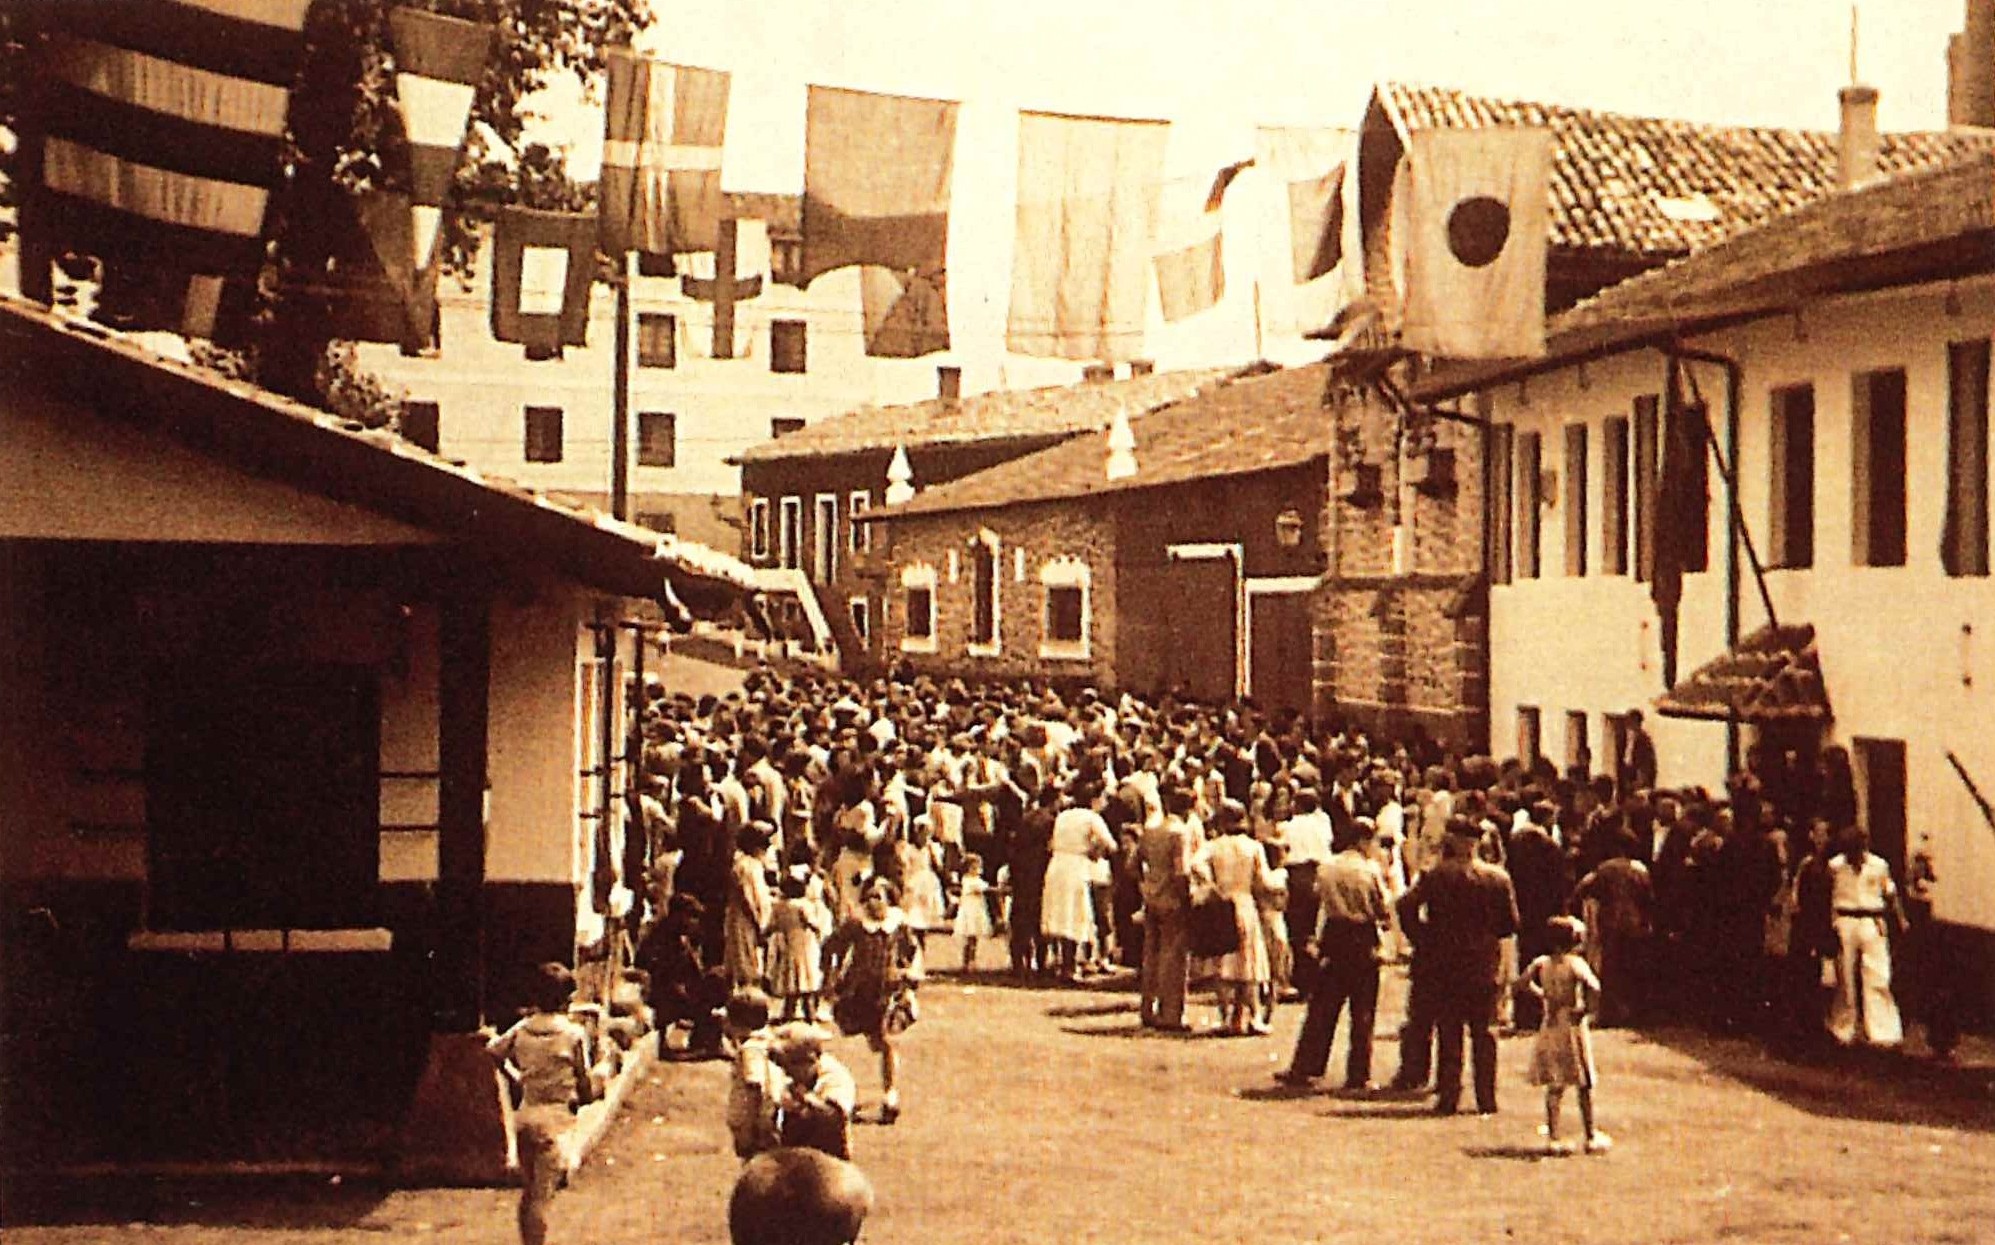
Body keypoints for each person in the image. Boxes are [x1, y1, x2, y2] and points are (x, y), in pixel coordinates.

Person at [1396, 816, 1519, 1115]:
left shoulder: (1436, 875)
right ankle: (1485, 1097)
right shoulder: (1497, 878)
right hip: (1482, 962)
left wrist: (1422, 937)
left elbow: (1405, 906)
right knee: (1484, 1033)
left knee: (1449, 1031)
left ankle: (1449, 1093)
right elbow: (1510, 923)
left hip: (1445, 961)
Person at [486, 963, 616, 1245]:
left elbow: (493, 1051)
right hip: (556, 1121)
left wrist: (517, 1077)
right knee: (541, 1198)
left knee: (530, 1194)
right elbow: (583, 1087)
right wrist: (601, 1076)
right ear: (566, 999)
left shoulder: (522, 1028)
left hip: (526, 1115)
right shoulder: (572, 1035)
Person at [1275, 818, 1392, 1091]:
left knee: (1322, 1007)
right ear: (1364, 841)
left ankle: (1306, 1066)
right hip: (1362, 937)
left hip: (1335, 935)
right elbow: (1382, 907)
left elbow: (1318, 898)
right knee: (1362, 1011)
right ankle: (1358, 1073)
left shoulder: (1327, 866)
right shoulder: (1369, 870)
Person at [823, 875, 924, 1123]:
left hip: (889, 990)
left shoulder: (897, 925)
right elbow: (831, 947)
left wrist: (910, 974)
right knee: (876, 1042)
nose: (873, 903)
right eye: (868, 897)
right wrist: (830, 977)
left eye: (878, 897)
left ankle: (890, 1095)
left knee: (887, 1039)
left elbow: (913, 951)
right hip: (859, 992)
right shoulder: (857, 925)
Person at [1519, 917, 1611, 1155]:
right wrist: (1587, 1010)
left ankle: (1554, 1137)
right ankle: (1590, 1135)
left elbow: (1521, 983)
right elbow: (1595, 986)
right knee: (1583, 1082)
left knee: (1555, 1083)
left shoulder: (1542, 963)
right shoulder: (1575, 964)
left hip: (1550, 1023)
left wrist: (1543, 995)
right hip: (1571, 1025)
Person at [1193, 799, 1278, 1036]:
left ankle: (1226, 1016)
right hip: (1245, 901)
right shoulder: (1253, 847)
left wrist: (1211, 885)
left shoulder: (1213, 846)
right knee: (1248, 962)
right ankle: (1255, 1016)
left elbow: (1196, 865)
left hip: (1222, 902)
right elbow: (1263, 881)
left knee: (1223, 962)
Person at [1825, 825, 1906, 1047]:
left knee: (1878, 974)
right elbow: (1828, 894)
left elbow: (1890, 893)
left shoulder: (1879, 866)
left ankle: (1883, 1031)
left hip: (1871, 919)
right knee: (1845, 977)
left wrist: (1900, 919)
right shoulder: (1835, 866)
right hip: (1846, 918)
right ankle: (1842, 1027)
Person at [1040, 779, 1115, 981]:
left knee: (1060, 916)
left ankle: (1064, 963)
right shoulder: (1092, 818)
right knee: (1075, 916)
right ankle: (1070, 966)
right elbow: (1110, 844)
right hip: (1075, 867)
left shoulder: (1063, 815)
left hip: (1057, 864)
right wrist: (1094, 852)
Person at [1137, 783, 1197, 1031]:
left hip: (1152, 897)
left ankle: (1147, 1007)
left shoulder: (1150, 831)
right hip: (1173, 900)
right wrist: (1187, 898)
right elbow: (1181, 871)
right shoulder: (1179, 833)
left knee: (1151, 954)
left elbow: (1133, 864)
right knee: (1174, 958)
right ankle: (1171, 1014)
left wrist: (1147, 884)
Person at [768, 1022, 859, 1160]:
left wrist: (804, 1098)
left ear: (810, 1060)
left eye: (788, 1064)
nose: (785, 1070)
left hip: (830, 1154)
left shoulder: (834, 1076)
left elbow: (834, 1115)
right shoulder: (788, 1076)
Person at [767, 868, 832, 1023]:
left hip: (789, 942)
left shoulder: (779, 906)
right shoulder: (803, 905)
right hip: (805, 942)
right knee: (806, 982)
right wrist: (820, 932)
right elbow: (813, 922)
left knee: (792, 981)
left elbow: (772, 925)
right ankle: (810, 1017)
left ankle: (788, 1015)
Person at [723, 987, 782, 1159]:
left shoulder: (750, 1050)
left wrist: (749, 1129)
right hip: (767, 1118)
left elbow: (754, 1087)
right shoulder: (768, 1041)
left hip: (754, 1123)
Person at [954, 851, 995, 973]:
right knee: (970, 939)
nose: (978, 870)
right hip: (971, 912)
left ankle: (970, 961)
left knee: (973, 940)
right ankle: (968, 962)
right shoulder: (969, 880)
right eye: (974, 867)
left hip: (976, 910)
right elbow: (985, 889)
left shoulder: (976, 879)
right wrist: (1001, 889)